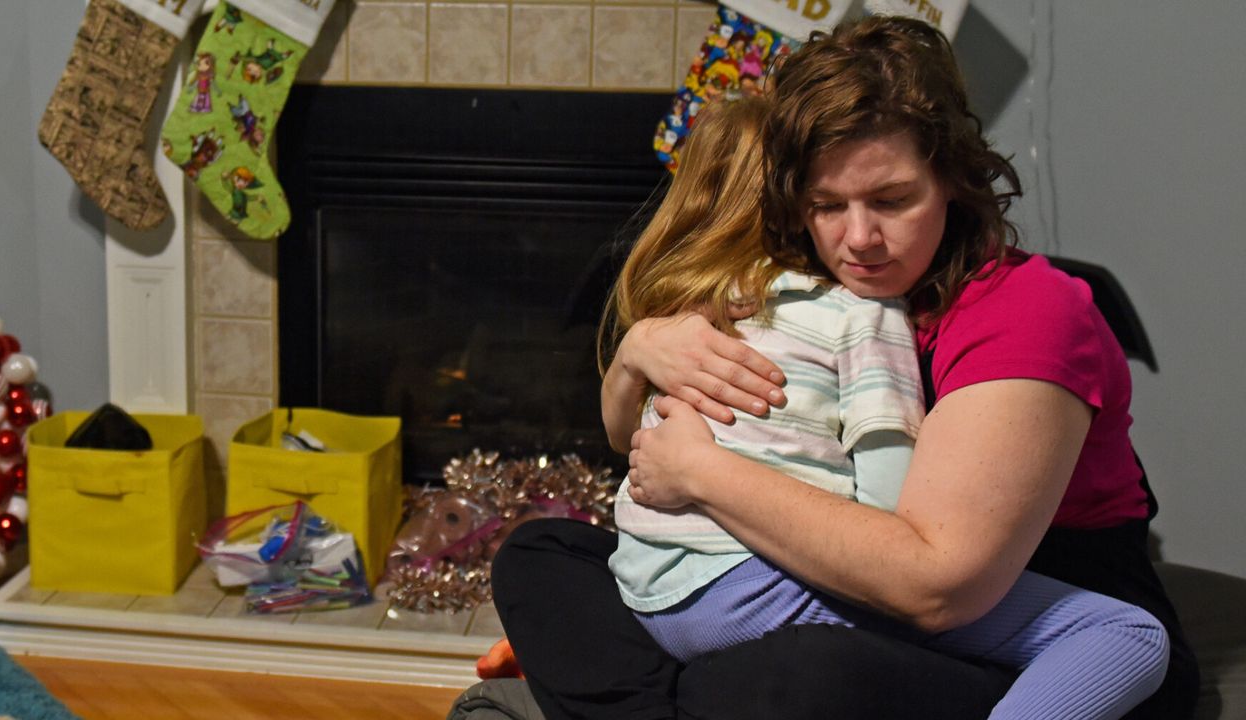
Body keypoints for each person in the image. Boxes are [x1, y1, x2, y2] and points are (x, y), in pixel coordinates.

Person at [491, 14, 1199, 720]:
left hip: (1019, 629)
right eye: (827, 206)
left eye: (892, 200)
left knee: (782, 677)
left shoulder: (1025, 311)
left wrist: (703, 474)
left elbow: (937, 587)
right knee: (543, 556)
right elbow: (638, 442)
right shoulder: (812, 295)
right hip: (828, 577)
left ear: (951, 178)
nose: (859, 239)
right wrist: (636, 353)